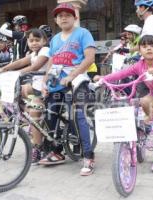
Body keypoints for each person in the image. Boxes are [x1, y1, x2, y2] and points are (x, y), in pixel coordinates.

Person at [94, 35, 153, 172]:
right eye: (144, 46)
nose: (148, 49)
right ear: (139, 50)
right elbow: (122, 74)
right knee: (144, 100)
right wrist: (104, 78)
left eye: (152, 45)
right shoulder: (140, 65)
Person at [40, 3, 96, 176]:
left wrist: (72, 75)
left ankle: (88, 155)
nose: (63, 17)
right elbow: (51, 61)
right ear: (56, 20)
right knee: (50, 115)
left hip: (78, 82)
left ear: (75, 17)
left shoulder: (83, 33)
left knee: (77, 115)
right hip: (56, 84)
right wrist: (44, 81)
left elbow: (90, 58)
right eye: (60, 15)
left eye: (67, 15)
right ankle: (57, 151)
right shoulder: (55, 39)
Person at [0, 28, 50, 165]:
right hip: (35, 87)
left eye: (37, 40)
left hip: (44, 88)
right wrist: (3, 69)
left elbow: (35, 67)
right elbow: (19, 62)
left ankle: (38, 148)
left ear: (44, 41)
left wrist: (15, 73)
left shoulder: (45, 51)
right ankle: (23, 116)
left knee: (34, 114)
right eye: (31, 40)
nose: (34, 43)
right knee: (15, 94)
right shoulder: (33, 53)